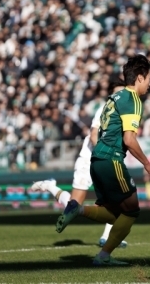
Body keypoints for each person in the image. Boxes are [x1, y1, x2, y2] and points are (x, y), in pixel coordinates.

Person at [55, 54, 150, 266]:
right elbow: (129, 139)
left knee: (114, 213)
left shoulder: (113, 99)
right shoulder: (133, 100)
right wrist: (147, 163)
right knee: (132, 210)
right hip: (111, 159)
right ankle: (104, 255)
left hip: (97, 159)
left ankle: (77, 209)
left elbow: (101, 131)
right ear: (139, 78)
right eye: (148, 79)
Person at [30, 77, 129, 248]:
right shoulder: (104, 111)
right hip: (89, 159)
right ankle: (50, 186)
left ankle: (106, 237)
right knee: (73, 208)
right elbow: (93, 135)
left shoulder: (125, 115)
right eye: (117, 93)